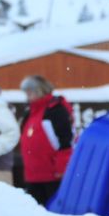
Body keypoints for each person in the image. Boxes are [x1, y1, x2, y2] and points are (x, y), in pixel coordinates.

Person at [18, 75, 75, 206]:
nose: (27, 95)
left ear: (40, 90)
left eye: (30, 91)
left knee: (55, 214)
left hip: (52, 176)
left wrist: (62, 167)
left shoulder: (55, 110)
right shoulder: (30, 112)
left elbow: (66, 140)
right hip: (33, 175)